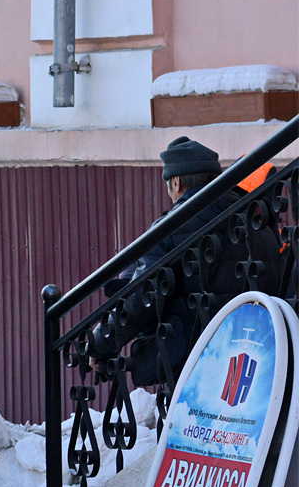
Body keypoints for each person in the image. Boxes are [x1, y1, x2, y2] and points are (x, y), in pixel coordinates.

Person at [89, 136, 282, 387]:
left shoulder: (173, 226)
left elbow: (141, 297)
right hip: (257, 367)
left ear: (176, 182)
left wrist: (99, 344)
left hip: (198, 368)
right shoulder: (259, 224)